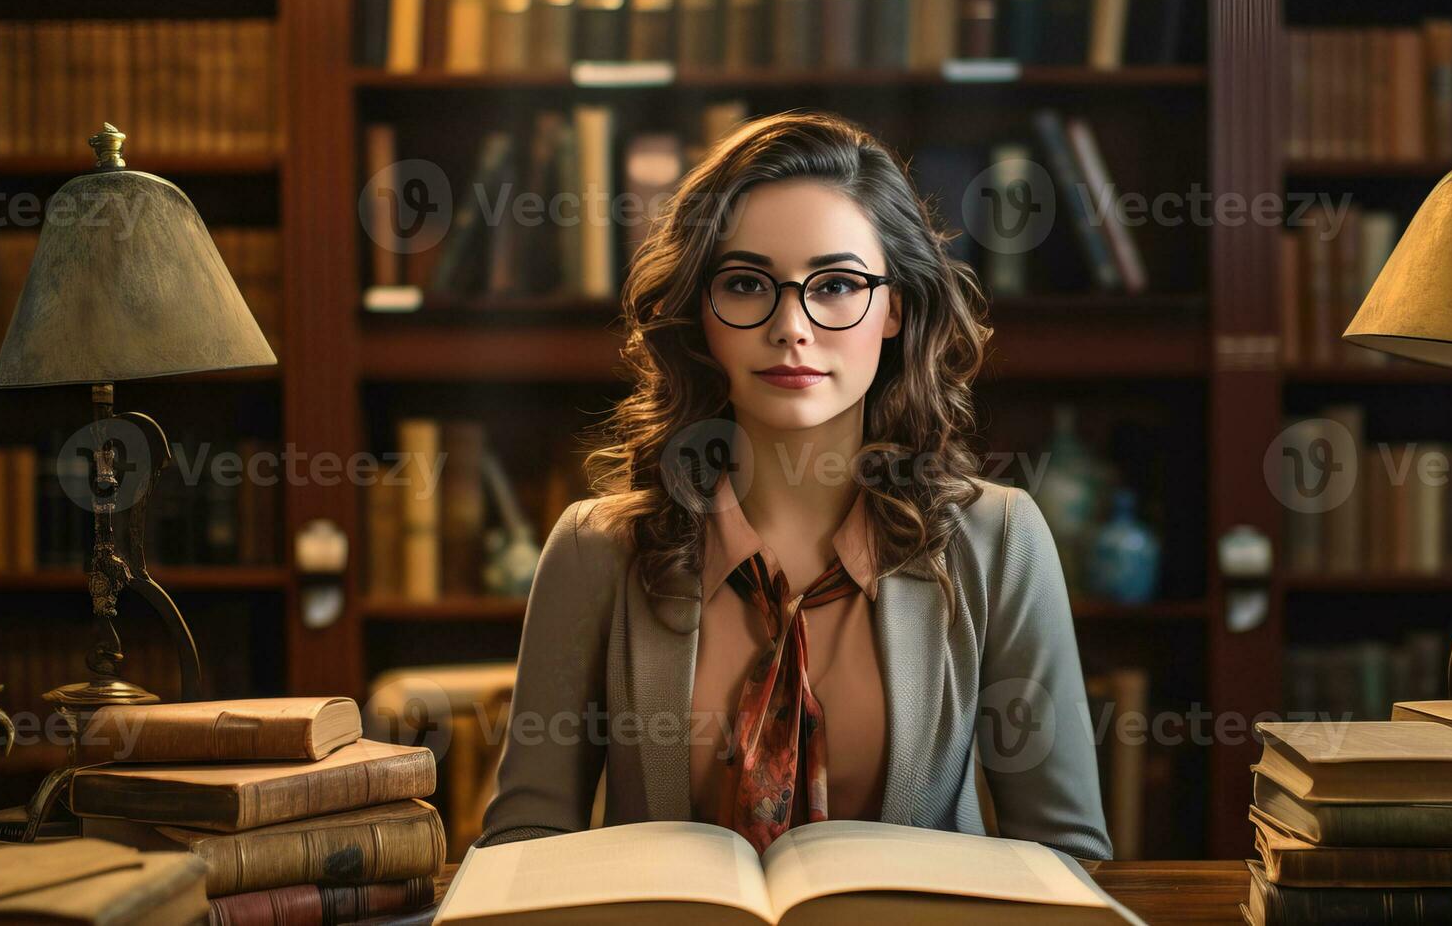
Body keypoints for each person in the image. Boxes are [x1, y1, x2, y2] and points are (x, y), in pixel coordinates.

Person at [476, 110, 1111, 862]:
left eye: (836, 284)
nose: (791, 326)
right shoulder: (594, 550)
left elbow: (1065, 856)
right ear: (698, 314)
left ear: (896, 308)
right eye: (746, 284)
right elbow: (521, 848)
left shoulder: (1000, 540)